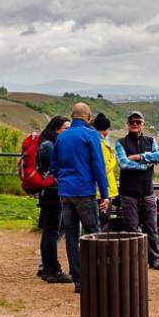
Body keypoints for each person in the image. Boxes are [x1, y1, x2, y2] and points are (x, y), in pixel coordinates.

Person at [50, 102, 109, 293]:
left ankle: (78, 280)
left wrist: (63, 181)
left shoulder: (62, 136)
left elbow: (54, 166)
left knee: (71, 237)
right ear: (88, 117)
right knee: (94, 233)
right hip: (84, 192)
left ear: (72, 116)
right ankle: (99, 277)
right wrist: (105, 194)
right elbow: (98, 166)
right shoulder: (91, 135)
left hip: (65, 193)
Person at [115, 111, 159, 270]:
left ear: (143, 124)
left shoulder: (151, 140)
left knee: (152, 227)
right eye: (132, 122)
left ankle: (154, 259)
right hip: (128, 193)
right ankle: (135, 261)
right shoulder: (120, 143)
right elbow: (123, 163)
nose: (135, 124)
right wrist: (146, 164)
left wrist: (139, 156)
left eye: (138, 121)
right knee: (131, 229)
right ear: (127, 124)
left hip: (148, 192)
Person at [37, 115, 71, 283]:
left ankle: (46, 268)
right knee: (52, 232)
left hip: (49, 192)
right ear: (56, 129)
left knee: (50, 231)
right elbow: (57, 168)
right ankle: (52, 270)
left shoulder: (46, 143)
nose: (68, 132)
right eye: (66, 128)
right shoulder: (49, 146)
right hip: (53, 193)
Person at [92, 113, 119, 232]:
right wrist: (114, 158)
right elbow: (104, 167)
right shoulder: (100, 143)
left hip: (100, 189)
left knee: (100, 222)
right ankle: (100, 248)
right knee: (103, 222)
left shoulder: (96, 141)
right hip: (103, 190)